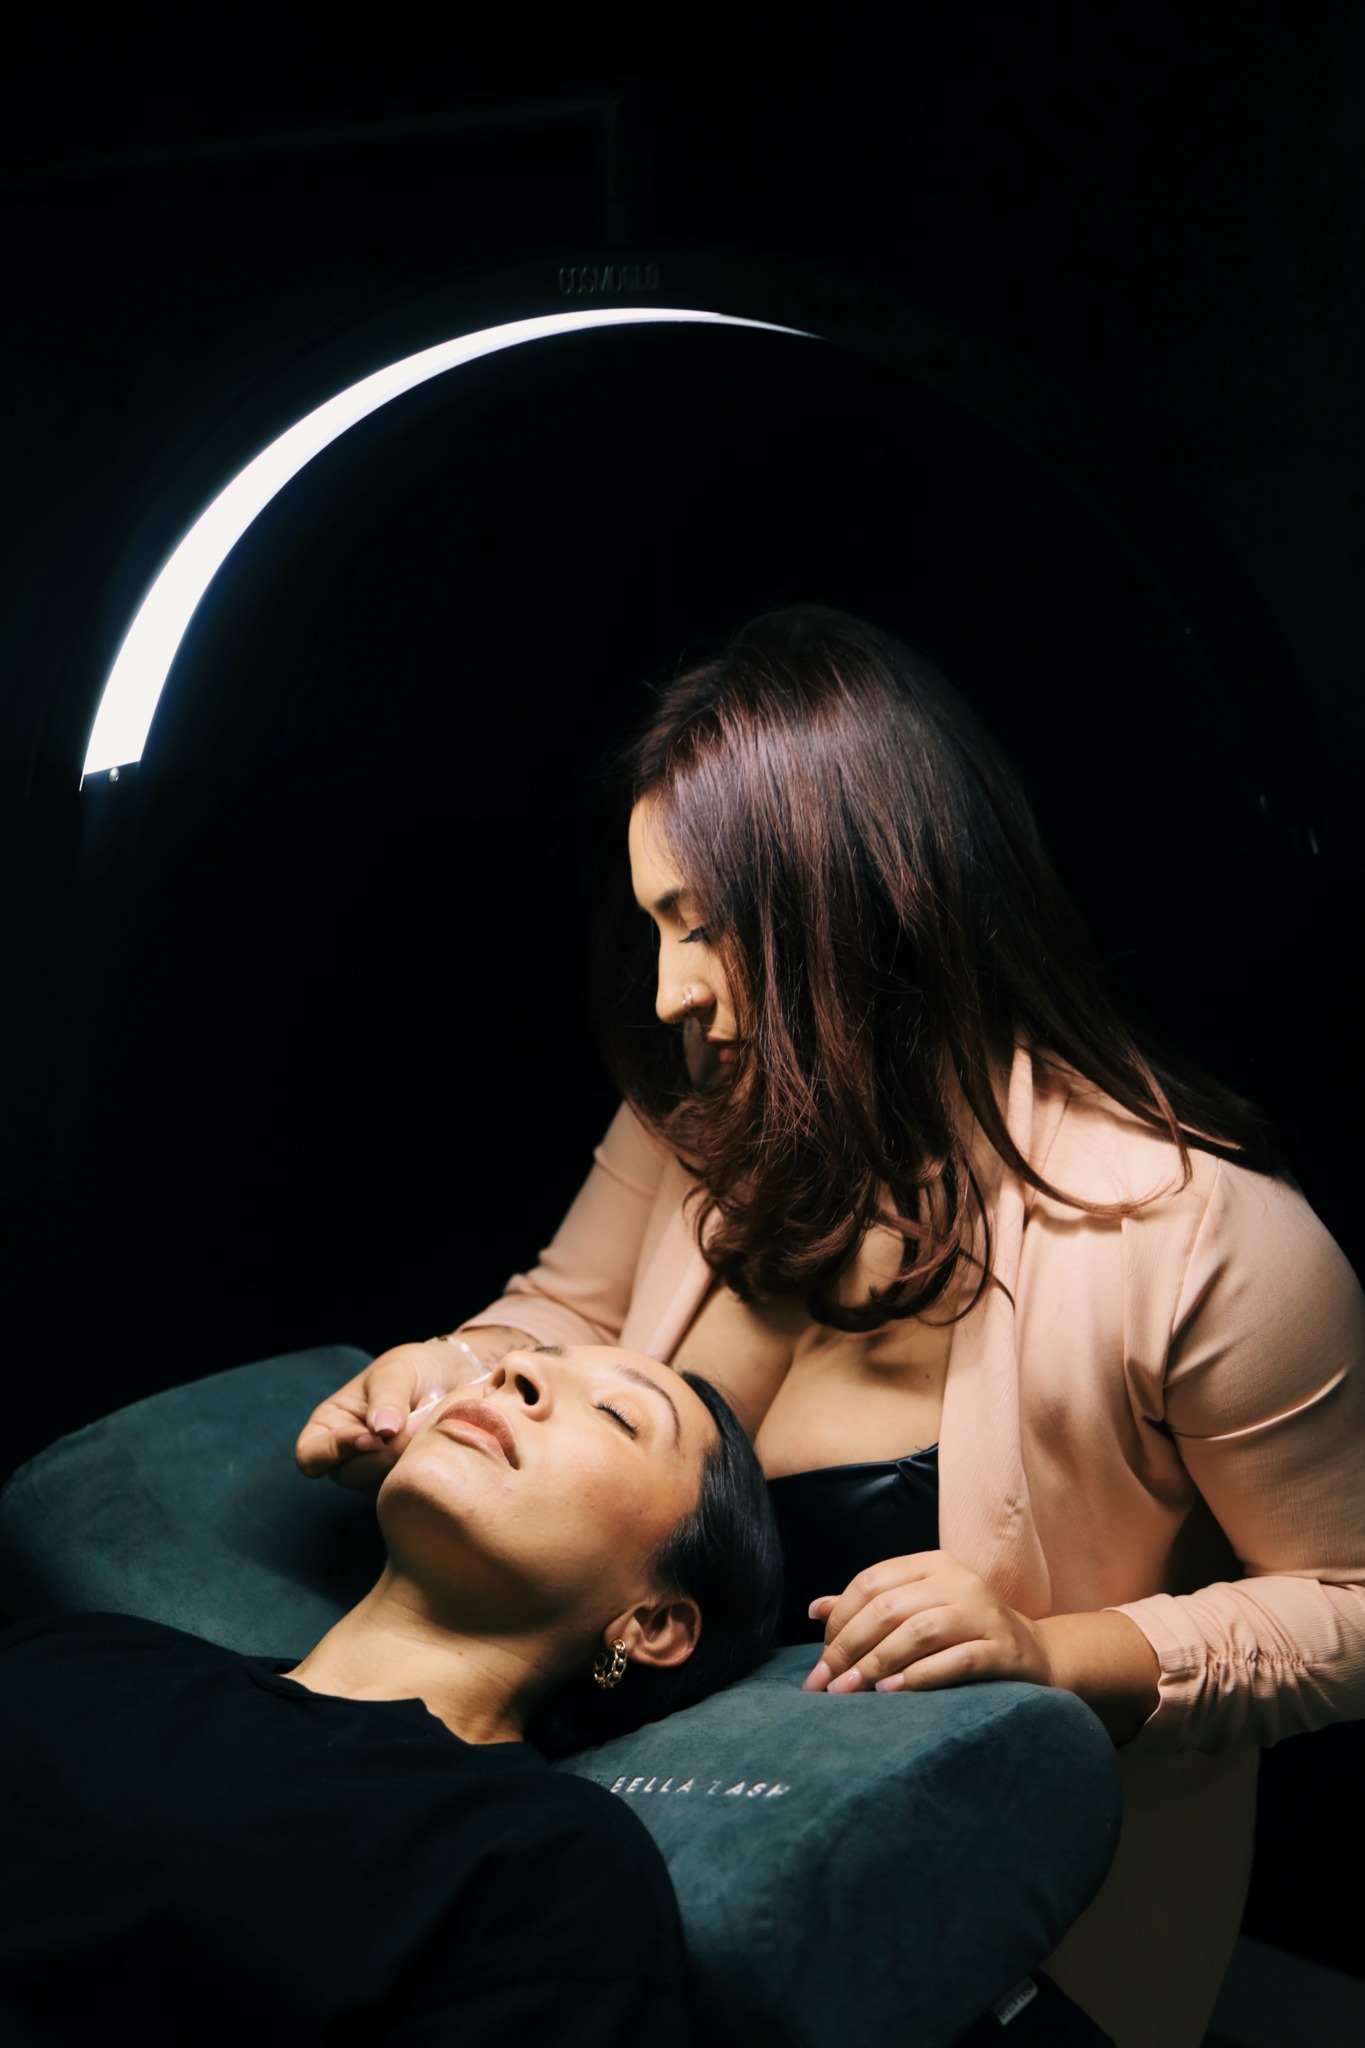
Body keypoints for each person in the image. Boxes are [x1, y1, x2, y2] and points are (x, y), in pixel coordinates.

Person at [297, 607, 1365, 2048]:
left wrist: (1056, 1656)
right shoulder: (700, 1115)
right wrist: (450, 1371)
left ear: (862, 900)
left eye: (699, 925)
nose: (669, 991)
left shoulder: (1204, 1241)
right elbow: (560, 1313)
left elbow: (1353, 1605)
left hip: (991, 1958)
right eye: (653, 925)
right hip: (623, 1869)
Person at [1, 1342, 782, 2046]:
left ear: (652, 1623)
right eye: (510, 1365)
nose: (516, 1373)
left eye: (618, 1414)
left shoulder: (550, 1865)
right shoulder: (87, 1656)